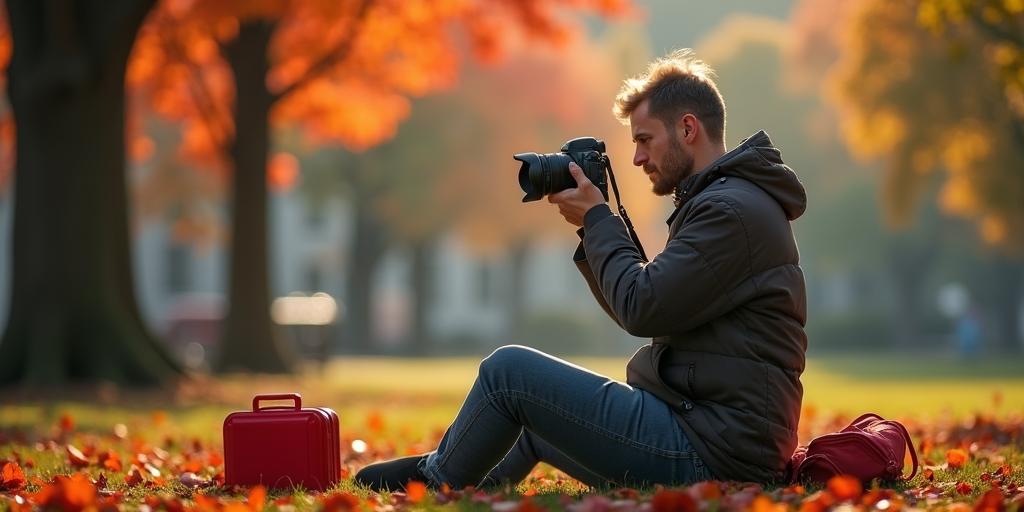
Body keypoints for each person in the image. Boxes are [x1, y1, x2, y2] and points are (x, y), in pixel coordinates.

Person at [355, 48, 807, 490]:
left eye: (644, 140)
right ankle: (471, 485)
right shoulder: (727, 202)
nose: (637, 158)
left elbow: (641, 307)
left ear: (688, 128)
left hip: (712, 453)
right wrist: (593, 228)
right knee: (537, 421)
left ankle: (437, 481)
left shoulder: (729, 212)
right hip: (713, 437)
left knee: (509, 371)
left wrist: (597, 221)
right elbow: (642, 306)